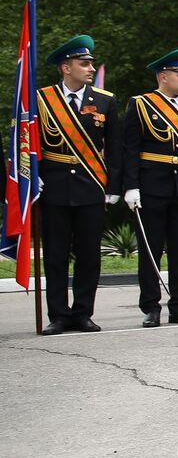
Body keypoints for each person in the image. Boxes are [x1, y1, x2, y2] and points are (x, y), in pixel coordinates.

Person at [122, 49, 178, 327]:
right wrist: (131, 186)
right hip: (152, 186)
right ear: (163, 76)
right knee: (151, 251)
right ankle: (151, 307)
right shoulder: (141, 104)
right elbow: (130, 149)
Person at [36, 35, 121, 334]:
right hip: (54, 185)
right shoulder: (41, 100)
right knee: (56, 254)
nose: (89, 68)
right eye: (83, 63)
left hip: (91, 184)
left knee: (89, 254)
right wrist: (31, 177)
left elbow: (116, 147)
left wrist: (113, 187)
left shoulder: (105, 100)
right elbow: (28, 144)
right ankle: (58, 314)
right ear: (65, 68)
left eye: (90, 63)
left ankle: (83, 312)